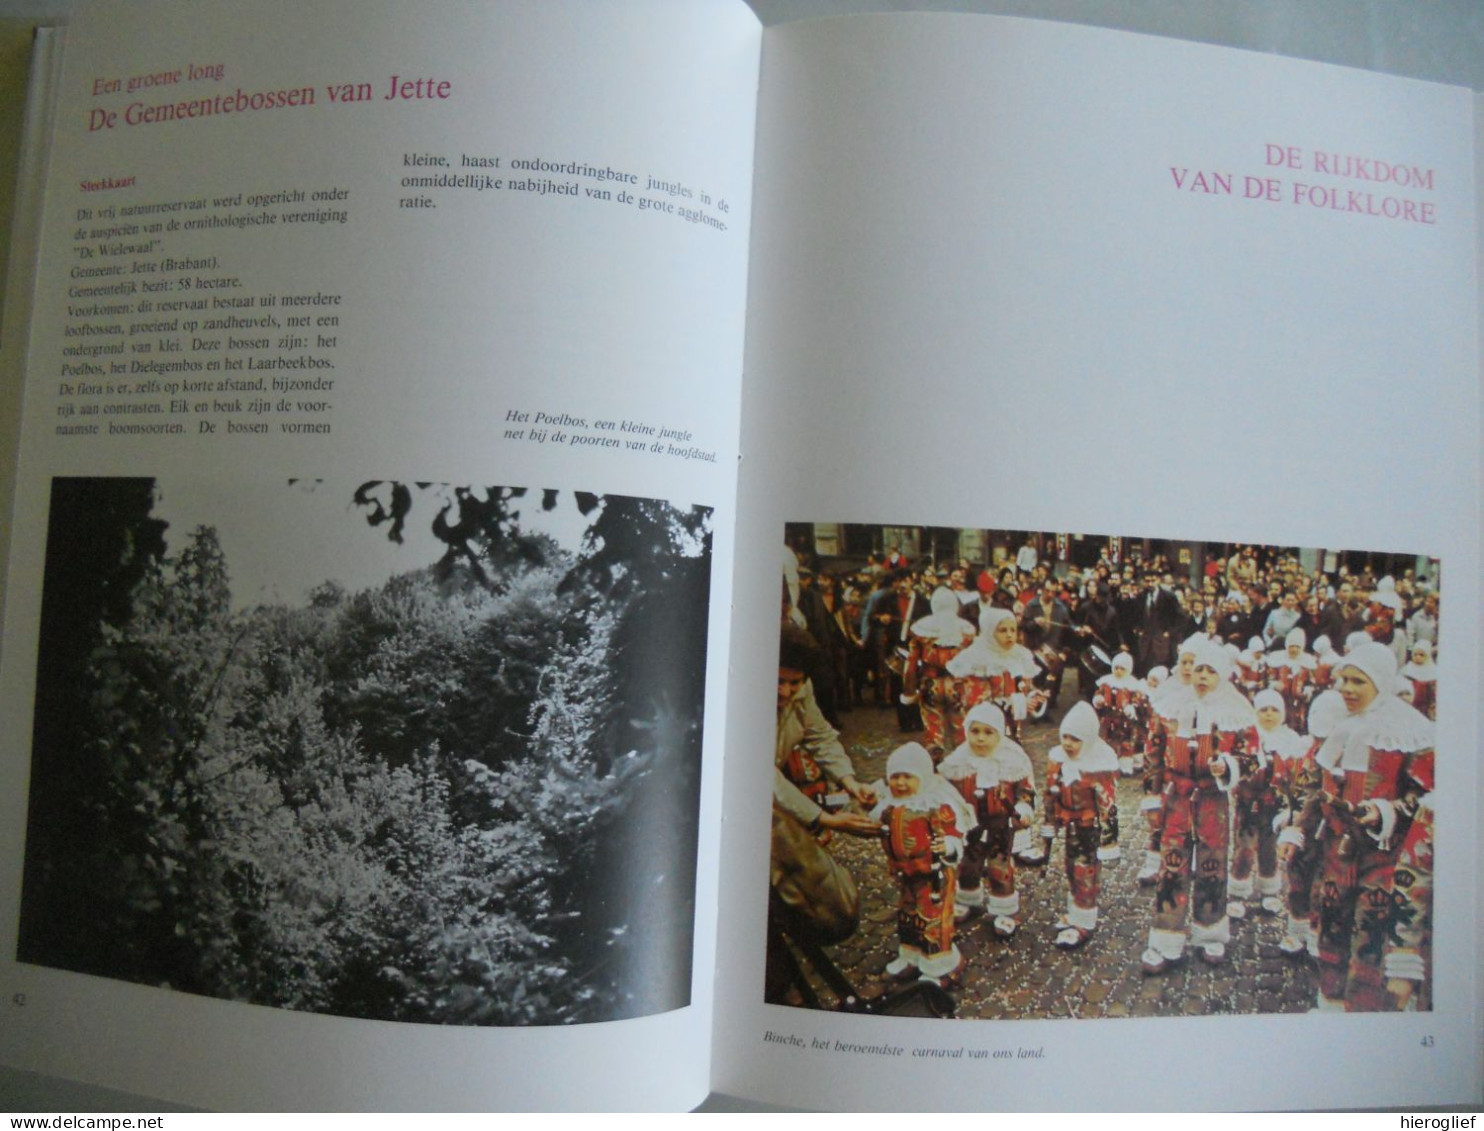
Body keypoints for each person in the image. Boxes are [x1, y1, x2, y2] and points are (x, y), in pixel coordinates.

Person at [1307, 642, 1434, 1011]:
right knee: (1332, 928)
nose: (1346, 688)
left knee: (1370, 938)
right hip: (1337, 856)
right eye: (1343, 679)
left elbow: (1422, 799)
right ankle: (1330, 1005)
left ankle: (1364, 1018)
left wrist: (1384, 812)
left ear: (1379, 683)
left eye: (1357, 681)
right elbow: (1317, 784)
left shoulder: (1412, 733)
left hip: (1383, 859)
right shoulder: (1340, 727)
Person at [1142, 637, 1258, 973]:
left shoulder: (1235, 711)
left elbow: (1252, 755)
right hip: (1177, 797)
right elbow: (1153, 753)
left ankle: (1210, 930)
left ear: (1222, 675)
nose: (1202, 675)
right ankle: (1166, 936)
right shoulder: (1170, 706)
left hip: (1212, 799)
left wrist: (1231, 765)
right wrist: (1153, 795)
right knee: (1173, 863)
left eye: (1210, 670)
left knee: (1212, 862)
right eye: (1197, 668)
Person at [946, 605, 1045, 863]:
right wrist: (1016, 702)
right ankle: (979, 835)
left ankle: (1018, 838)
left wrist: (1031, 699)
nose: (1010, 635)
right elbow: (978, 703)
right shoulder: (977, 660)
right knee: (986, 784)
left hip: (1010, 732)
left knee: (1015, 776)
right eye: (1002, 630)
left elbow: (1022, 689)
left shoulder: (1018, 656)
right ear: (990, 631)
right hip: (985, 735)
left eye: (1013, 629)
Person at [868, 743, 972, 986]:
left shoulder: (933, 805)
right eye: (895, 777)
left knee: (932, 918)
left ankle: (942, 965)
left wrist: (947, 844)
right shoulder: (890, 805)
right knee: (907, 915)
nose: (901, 783)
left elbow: (952, 831)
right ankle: (912, 956)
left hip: (933, 874)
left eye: (908, 777)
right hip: (906, 874)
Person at [938, 703, 1035, 938]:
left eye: (988, 732)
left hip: (999, 825)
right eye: (975, 731)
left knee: (999, 867)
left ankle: (1004, 908)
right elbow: (946, 791)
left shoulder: (1012, 760)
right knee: (968, 865)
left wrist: (1023, 808)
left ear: (999, 734)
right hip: (970, 825)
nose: (981, 739)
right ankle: (969, 897)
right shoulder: (959, 761)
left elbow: (1025, 790)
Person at [775, 628, 877, 838]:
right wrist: (825, 819)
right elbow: (765, 777)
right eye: (779, 681)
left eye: (794, 683)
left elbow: (820, 736)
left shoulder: (804, 689)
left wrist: (850, 783)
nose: (786, 692)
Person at [1044, 701, 1120, 949]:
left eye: (1075, 739)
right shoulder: (1060, 761)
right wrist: (1051, 819)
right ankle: (1075, 909)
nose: (1067, 743)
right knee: (1069, 865)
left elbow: (1108, 803)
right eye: (1065, 737)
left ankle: (1084, 919)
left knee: (1085, 870)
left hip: (1089, 826)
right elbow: (1052, 792)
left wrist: (1108, 838)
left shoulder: (1097, 768)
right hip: (1071, 824)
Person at [1227, 689, 1290, 921]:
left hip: (1274, 806)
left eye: (1275, 710)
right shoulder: (1250, 739)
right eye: (1264, 710)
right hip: (1249, 805)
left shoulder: (1288, 739)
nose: (1269, 715)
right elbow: (1240, 768)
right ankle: (1238, 892)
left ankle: (1269, 890)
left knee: (1269, 850)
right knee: (1244, 849)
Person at [902, 587, 976, 757]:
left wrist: (909, 691)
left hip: (931, 684)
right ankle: (964, 773)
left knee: (933, 731)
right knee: (961, 731)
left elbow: (910, 665)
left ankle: (935, 767)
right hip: (958, 685)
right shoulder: (966, 630)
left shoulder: (921, 630)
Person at [1092, 650, 1149, 779]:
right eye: (1116, 668)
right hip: (1108, 718)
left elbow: (1138, 699)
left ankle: (1126, 766)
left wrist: (1132, 707)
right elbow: (1098, 693)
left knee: (1125, 742)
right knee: (1107, 741)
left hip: (1125, 720)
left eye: (1122, 669)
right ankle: (1107, 764)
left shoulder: (1132, 685)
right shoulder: (1106, 682)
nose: (1118, 671)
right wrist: (1098, 700)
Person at [1398, 640, 1437, 720]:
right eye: (1415, 654)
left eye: (1421, 655)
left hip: (1426, 708)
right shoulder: (1406, 669)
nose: (1418, 657)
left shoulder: (1434, 671)